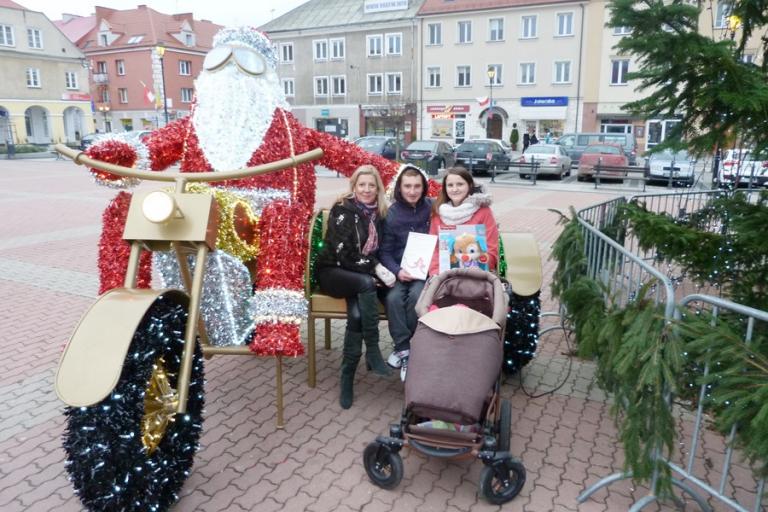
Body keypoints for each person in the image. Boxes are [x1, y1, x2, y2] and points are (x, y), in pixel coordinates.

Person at [80, 26, 402, 357]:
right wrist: (120, 155)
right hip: (199, 216)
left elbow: (356, 159)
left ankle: (277, 323)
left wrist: (411, 181)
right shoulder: (195, 125)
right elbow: (151, 146)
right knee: (128, 211)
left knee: (285, 214)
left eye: (245, 62)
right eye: (220, 61)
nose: (231, 71)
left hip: (266, 223)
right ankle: (119, 318)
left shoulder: (292, 131)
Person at [316, 165, 396, 409]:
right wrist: (375, 268)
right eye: (362, 185)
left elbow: (384, 247)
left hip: (361, 277)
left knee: (358, 314)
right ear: (354, 186)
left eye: (372, 185)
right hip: (334, 272)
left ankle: (347, 376)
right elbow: (345, 255)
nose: (367, 190)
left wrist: (382, 268)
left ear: (378, 188)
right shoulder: (343, 210)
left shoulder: (381, 213)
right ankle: (373, 349)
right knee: (364, 283)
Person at [379, 166, 432, 380]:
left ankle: (412, 348)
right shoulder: (391, 214)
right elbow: (385, 251)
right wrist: (397, 271)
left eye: (417, 186)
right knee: (392, 299)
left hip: (425, 273)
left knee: (417, 299)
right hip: (400, 272)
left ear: (424, 187)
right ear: (400, 188)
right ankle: (404, 349)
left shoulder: (432, 208)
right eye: (408, 186)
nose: (412, 191)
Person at [427, 167, 499, 277]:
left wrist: (480, 268)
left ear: (470, 186)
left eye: (460, 184)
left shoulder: (483, 212)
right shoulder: (438, 213)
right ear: (445, 188)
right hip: (444, 277)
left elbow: (491, 248)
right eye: (450, 185)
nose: (455, 189)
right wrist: (435, 272)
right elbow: (434, 249)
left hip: (477, 275)